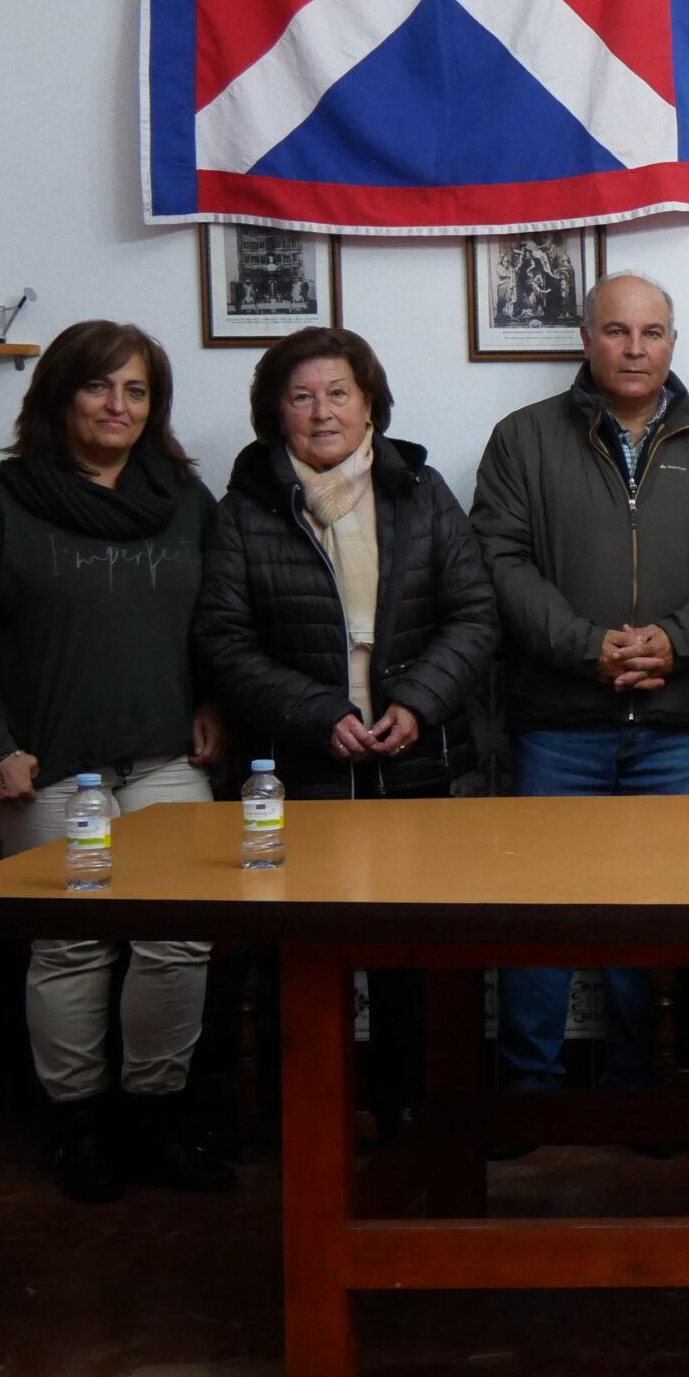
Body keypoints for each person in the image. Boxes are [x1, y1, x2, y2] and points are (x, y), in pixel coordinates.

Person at [0, 321, 236, 1203]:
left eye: (136, 391)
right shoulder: (1, 508)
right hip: (53, 772)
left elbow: (217, 614)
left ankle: (155, 1118)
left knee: (176, 941)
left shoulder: (183, 500)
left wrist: (213, 698)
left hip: (166, 762)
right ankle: (79, 1127)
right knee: (73, 948)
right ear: (58, 398)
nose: (118, 406)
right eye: (99, 387)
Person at [470, 272, 689, 1099]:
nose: (635, 348)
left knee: (650, 916)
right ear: (586, 338)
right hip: (559, 718)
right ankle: (529, 1089)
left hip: (673, 721)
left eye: (652, 332)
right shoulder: (523, 439)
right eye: (616, 331)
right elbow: (498, 559)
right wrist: (588, 648)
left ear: (674, 343)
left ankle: (638, 1090)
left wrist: (676, 643)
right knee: (542, 917)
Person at [193, 327, 499, 1140]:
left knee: (409, 948)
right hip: (298, 766)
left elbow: (474, 614)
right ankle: (306, 1113)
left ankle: (405, 1105)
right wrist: (318, 712)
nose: (322, 412)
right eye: (302, 396)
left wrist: (421, 704)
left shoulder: (422, 491)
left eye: (339, 393)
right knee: (301, 950)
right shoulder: (244, 509)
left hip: (414, 758)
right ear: (275, 411)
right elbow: (223, 641)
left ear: (371, 404)